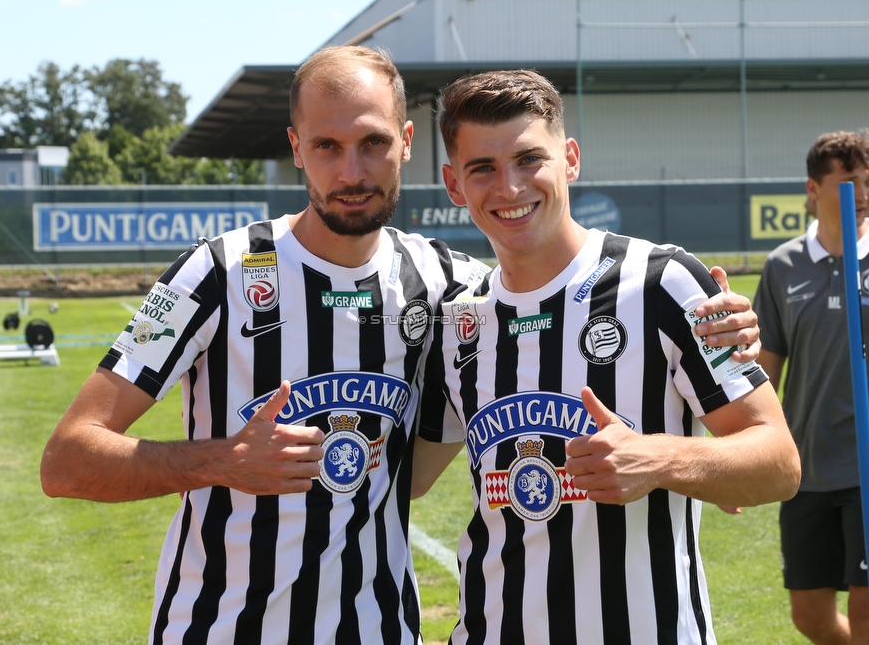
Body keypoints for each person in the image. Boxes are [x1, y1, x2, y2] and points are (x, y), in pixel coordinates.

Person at [39, 47, 762, 644]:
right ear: (296, 148)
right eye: (327, 146)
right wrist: (220, 461)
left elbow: (422, 457)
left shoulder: (452, 286)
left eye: (372, 143)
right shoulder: (214, 272)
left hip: (382, 630)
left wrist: (716, 345)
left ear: (406, 146)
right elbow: (67, 460)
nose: (351, 171)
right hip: (223, 629)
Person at [412, 69, 800, 645]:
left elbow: (778, 463)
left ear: (569, 159)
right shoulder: (459, 320)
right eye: (483, 168)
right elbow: (408, 477)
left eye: (528, 159)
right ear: (453, 183)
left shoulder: (665, 282)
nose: (510, 187)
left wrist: (662, 460)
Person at [754, 129, 869, 645]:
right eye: (850, 181)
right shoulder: (782, 267)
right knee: (811, 617)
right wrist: (747, 449)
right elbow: (764, 370)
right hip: (806, 462)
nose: (863, 194)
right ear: (814, 188)